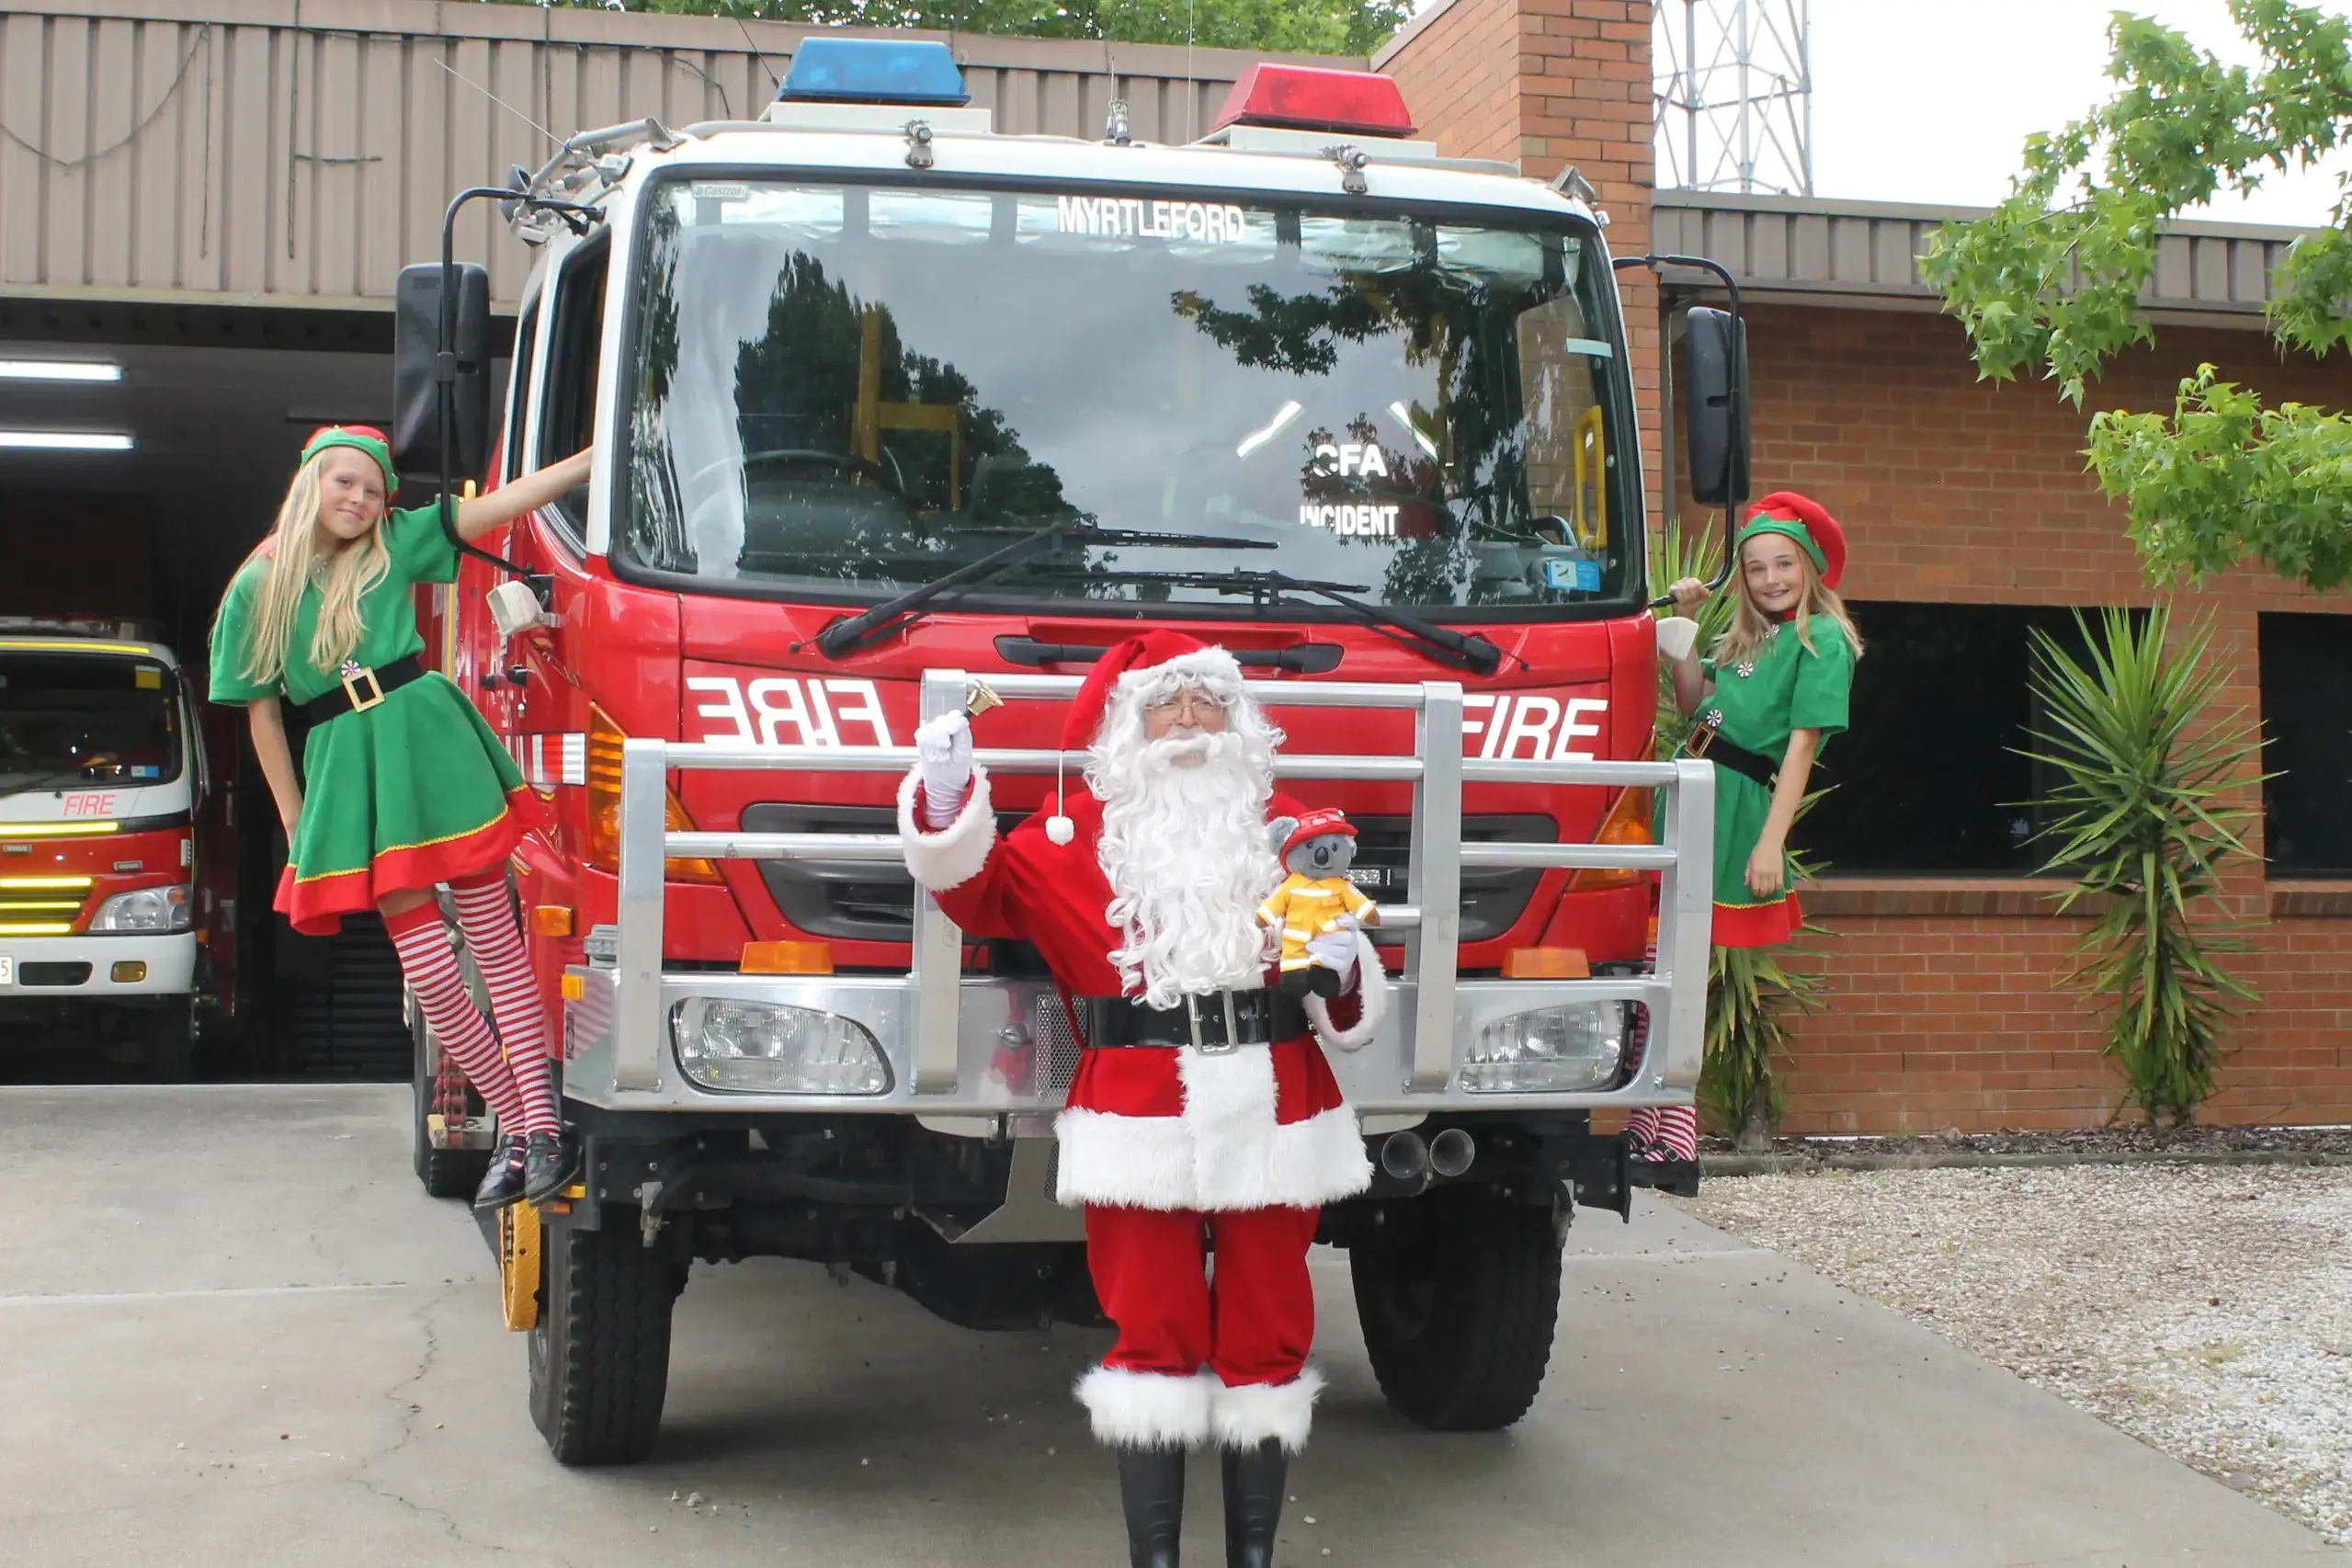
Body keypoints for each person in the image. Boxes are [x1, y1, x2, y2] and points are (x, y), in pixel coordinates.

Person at [899, 630, 1386, 1568]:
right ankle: (1155, 1559)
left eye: (1209, 700)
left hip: (1278, 1107)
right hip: (1138, 1113)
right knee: (1151, 1327)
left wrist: (1344, 969)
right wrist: (951, 794)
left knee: (1270, 1331)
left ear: (1239, 718)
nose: (1192, 720)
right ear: (1126, 723)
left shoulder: (1288, 826)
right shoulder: (1067, 834)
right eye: (1168, 702)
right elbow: (970, 890)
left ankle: (1254, 1555)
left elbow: (1349, 989)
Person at [209, 426, 593, 1211]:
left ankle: (541, 1130)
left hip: (427, 739)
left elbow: (507, 503)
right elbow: (262, 718)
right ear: (311, 480)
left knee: (496, 948)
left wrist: (597, 456)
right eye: (345, 482)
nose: (359, 500)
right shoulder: (258, 583)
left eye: (374, 490)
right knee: (430, 975)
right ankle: (520, 1125)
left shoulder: (395, 544)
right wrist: (294, 824)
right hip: (350, 769)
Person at [1631, 491, 1862, 1183]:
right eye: (1755, 567)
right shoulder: (1746, 642)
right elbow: (1694, 709)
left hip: (1734, 808)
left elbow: (1797, 751)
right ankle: (1653, 1123)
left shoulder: (1821, 644)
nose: (1770, 579)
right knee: (1654, 963)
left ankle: (1674, 1135)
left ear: (1811, 568)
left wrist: (1770, 843)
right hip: (1689, 789)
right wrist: (1685, 627)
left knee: (1675, 968)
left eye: (1783, 564)